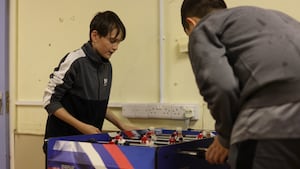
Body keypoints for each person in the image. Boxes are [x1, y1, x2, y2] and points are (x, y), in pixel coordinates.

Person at [180, 0, 300, 168]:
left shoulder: (204, 28)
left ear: (191, 22)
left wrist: (224, 138)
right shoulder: (277, 19)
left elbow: (222, 87)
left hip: (271, 125)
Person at [42, 11, 135, 156]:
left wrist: (121, 125)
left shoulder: (107, 66)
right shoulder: (75, 61)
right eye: (112, 41)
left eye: (118, 42)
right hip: (62, 146)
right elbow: (49, 101)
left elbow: (97, 106)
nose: (116, 47)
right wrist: (82, 127)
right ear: (95, 36)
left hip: (88, 145)